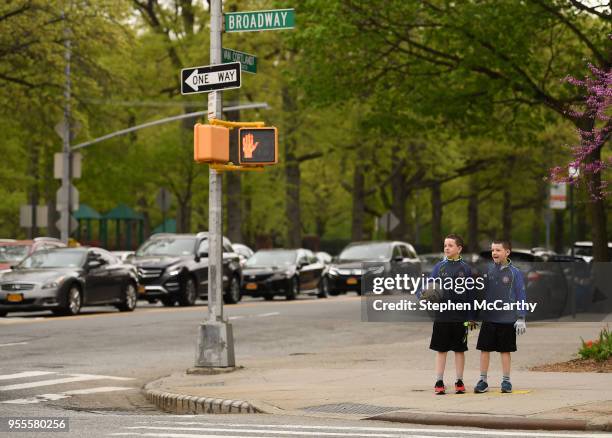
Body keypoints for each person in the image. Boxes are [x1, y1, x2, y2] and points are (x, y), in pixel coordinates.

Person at [419, 234, 475, 395]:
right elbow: (427, 287)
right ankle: (439, 380)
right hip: (442, 315)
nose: (447, 248)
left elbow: (470, 295)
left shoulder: (465, 269)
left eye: (450, 245)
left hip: (460, 317)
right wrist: (422, 294)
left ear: (459, 248)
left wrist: (471, 316)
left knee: (459, 350)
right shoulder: (439, 267)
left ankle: (459, 381)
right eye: (445, 245)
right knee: (441, 349)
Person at [474, 239, 527, 394]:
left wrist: (521, 317)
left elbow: (521, 294)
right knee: (484, 349)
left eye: (498, 250)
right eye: (492, 250)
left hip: (507, 318)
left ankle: (506, 381)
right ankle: (483, 381)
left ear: (507, 252)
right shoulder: (488, 270)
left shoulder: (515, 272)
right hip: (489, 317)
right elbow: (479, 292)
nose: (494, 253)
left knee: (505, 350)